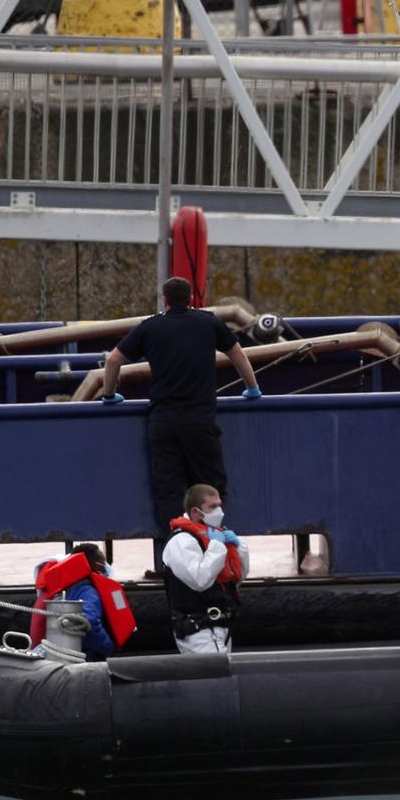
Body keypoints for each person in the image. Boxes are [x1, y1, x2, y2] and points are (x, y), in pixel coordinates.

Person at [100, 276, 263, 534]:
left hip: (163, 422)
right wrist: (252, 388)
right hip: (200, 422)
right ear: (191, 299)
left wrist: (109, 395)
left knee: (169, 490)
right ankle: (213, 550)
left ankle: (174, 555)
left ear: (164, 300)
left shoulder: (149, 327)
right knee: (211, 487)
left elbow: (113, 361)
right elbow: (238, 355)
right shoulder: (209, 322)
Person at [161, 483, 245, 655]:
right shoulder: (181, 542)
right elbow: (200, 579)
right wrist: (216, 546)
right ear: (195, 512)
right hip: (198, 630)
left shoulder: (216, 537)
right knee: (214, 679)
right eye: (213, 507)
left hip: (222, 625)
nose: (219, 511)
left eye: (220, 505)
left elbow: (238, 578)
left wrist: (239, 548)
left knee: (226, 678)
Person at [28, 543, 135, 661]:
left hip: (62, 653)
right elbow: (88, 622)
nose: (106, 569)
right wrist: (107, 647)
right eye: (104, 565)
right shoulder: (88, 592)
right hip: (85, 658)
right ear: (96, 566)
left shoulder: (63, 591)